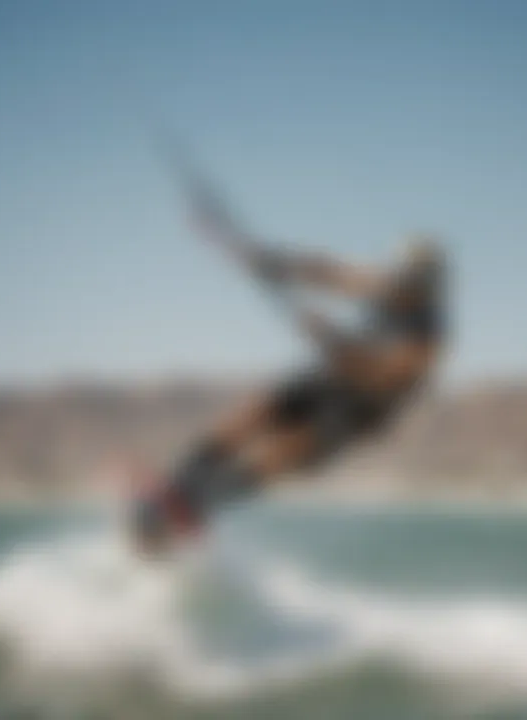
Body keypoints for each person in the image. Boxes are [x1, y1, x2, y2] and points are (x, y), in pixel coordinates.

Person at [131, 166, 451, 556]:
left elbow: (378, 374)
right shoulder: (386, 285)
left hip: (360, 410)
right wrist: (269, 263)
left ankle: (200, 505)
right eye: (397, 277)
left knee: (283, 453)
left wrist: (329, 338)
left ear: (428, 286)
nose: (396, 286)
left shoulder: (428, 339)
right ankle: (179, 484)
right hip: (331, 376)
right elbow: (329, 272)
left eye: (408, 283)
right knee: (256, 411)